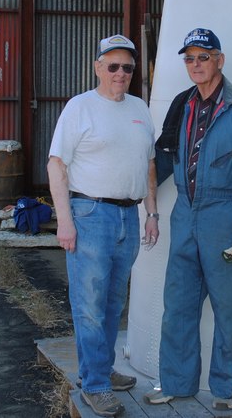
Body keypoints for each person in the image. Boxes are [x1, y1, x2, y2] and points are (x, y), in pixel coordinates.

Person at [144, 28, 232, 410]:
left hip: (226, 216)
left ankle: (225, 387)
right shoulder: (182, 105)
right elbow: (162, 158)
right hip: (185, 214)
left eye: (203, 57)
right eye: (189, 58)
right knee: (178, 304)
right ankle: (176, 381)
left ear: (220, 60)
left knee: (228, 309)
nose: (196, 65)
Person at [47, 34, 159, 418]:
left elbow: (147, 164)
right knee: (90, 305)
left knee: (113, 302)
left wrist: (152, 213)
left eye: (128, 67)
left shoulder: (140, 108)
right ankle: (94, 385)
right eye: (112, 66)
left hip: (129, 215)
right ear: (97, 67)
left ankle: (102, 370)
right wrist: (65, 222)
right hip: (90, 215)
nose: (121, 73)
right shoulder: (81, 108)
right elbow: (56, 165)